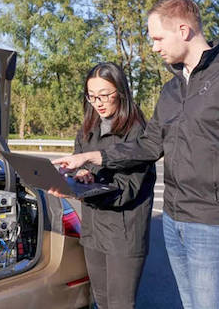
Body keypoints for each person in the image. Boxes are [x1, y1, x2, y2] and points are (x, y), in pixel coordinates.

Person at [53, 0, 219, 309]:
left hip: (217, 225)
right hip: (175, 222)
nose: (154, 47)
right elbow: (149, 146)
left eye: (158, 38)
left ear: (184, 30)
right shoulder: (172, 90)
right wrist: (91, 157)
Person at [50, 62, 156, 309]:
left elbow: (127, 190)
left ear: (121, 92)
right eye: (92, 96)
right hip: (93, 231)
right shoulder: (88, 129)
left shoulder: (138, 134)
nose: (98, 103)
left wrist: (88, 186)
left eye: (104, 95)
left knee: (120, 305)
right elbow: (81, 168)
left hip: (124, 235)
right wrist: (78, 178)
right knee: (100, 301)